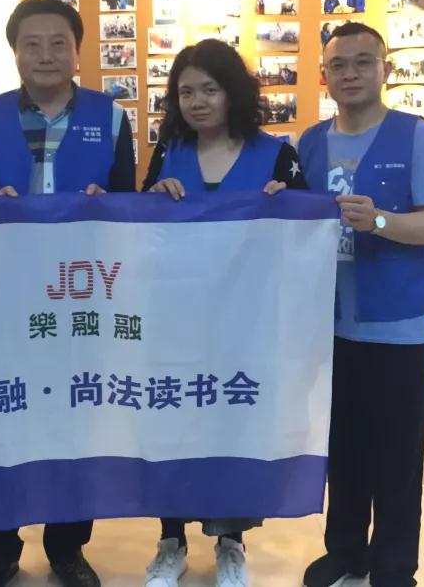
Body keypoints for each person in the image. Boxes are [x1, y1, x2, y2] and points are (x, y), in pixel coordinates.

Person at [0, 0, 136, 587]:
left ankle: (66, 546)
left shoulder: (111, 116)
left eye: (59, 42)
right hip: (3, 295)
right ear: (15, 53)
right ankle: (0, 547)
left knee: (76, 416)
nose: (46, 54)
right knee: (0, 414)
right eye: (31, 44)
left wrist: (106, 205)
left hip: (80, 297)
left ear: (78, 51)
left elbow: (129, 208)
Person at [140, 39, 307, 587]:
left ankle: (231, 541)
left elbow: (308, 235)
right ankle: (171, 541)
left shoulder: (275, 155)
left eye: (209, 89)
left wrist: (287, 203)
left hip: (246, 326)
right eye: (185, 91)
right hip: (176, 322)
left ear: (233, 92)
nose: (197, 101)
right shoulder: (169, 152)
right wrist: (153, 197)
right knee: (172, 424)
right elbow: (140, 231)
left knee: (235, 425)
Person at [298, 22, 424, 587]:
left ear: (385, 69)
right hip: (329, 328)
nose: (351, 73)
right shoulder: (309, 143)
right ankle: (345, 552)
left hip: (397, 330)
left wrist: (380, 222)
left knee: (397, 459)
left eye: (363, 61)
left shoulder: (416, 137)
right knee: (342, 451)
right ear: (324, 75)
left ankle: (393, 566)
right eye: (338, 64)